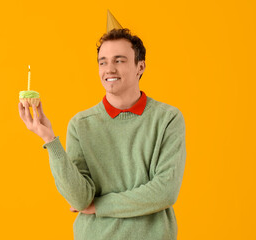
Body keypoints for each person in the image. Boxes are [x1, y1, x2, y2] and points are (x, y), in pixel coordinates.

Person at [19, 25, 186, 240]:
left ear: (140, 67)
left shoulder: (167, 119)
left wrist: (99, 205)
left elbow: (164, 191)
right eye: (103, 62)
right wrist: (49, 139)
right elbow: (80, 200)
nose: (109, 69)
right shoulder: (81, 124)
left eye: (119, 60)